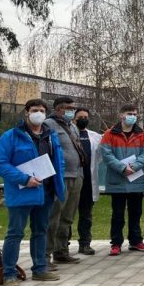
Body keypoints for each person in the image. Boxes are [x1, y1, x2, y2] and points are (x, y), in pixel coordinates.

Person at [0, 99, 65, 286]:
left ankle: (40, 269)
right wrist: (24, 179)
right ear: (26, 112)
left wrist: (59, 185)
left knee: (41, 230)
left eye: (42, 110)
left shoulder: (51, 135)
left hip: (46, 192)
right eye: (35, 110)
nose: (39, 113)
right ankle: (9, 274)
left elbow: (58, 161)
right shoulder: (11, 136)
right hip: (22, 192)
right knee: (15, 233)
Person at [100, 104, 144, 256]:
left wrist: (135, 166)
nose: (133, 116)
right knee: (117, 214)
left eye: (135, 114)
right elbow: (106, 154)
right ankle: (116, 243)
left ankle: (136, 241)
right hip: (117, 181)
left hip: (136, 181)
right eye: (130, 113)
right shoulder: (109, 134)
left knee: (136, 213)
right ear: (121, 115)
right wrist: (122, 168)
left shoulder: (143, 134)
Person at [44, 96, 87, 266]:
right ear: (58, 109)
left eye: (72, 108)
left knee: (67, 217)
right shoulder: (49, 125)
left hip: (77, 175)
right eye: (68, 108)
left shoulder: (73, 126)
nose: (72, 111)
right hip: (60, 176)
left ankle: (61, 251)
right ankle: (45, 255)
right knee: (53, 216)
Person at [73, 107, 102, 255]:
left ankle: (85, 243)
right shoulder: (68, 134)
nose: (83, 119)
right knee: (67, 216)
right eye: (80, 116)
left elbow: (100, 157)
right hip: (72, 182)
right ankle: (62, 246)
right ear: (74, 118)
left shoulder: (96, 136)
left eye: (86, 116)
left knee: (86, 215)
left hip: (88, 183)